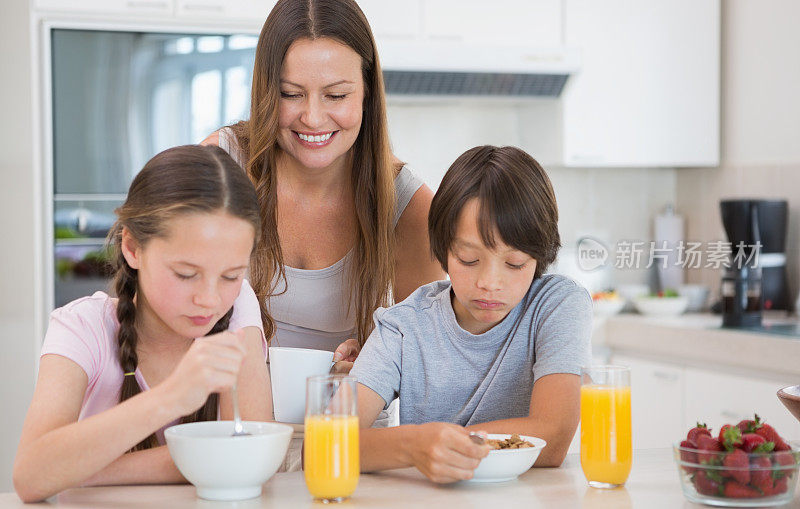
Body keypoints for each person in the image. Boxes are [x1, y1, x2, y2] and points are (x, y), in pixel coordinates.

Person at [13, 145, 271, 502]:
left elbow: (247, 455)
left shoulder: (238, 303)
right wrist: (172, 396)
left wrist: (86, 470)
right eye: (186, 274)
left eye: (230, 275)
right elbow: (30, 476)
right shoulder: (81, 326)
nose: (210, 299)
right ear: (132, 248)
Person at [202, 0, 444, 366]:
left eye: (336, 95)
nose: (313, 118)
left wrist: (378, 364)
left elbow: (426, 365)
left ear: (366, 94)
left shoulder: (408, 206)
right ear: (266, 91)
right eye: (290, 94)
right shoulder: (220, 167)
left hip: (345, 422)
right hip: (236, 420)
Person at [351, 145, 593, 483]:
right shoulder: (404, 326)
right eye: (468, 259)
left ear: (539, 257)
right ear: (442, 248)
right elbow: (326, 442)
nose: (489, 283)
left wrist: (442, 441)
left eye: (514, 264)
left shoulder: (556, 305)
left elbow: (550, 438)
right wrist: (413, 446)